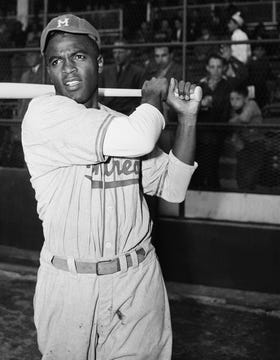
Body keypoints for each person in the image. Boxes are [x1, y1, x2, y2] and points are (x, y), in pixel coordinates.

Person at [21, 14, 202, 359]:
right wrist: (152, 98)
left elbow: (173, 188)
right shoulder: (44, 116)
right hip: (69, 284)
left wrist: (188, 118)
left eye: (78, 56)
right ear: (48, 71)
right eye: (56, 61)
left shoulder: (121, 125)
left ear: (99, 62)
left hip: (136, 282)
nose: (68, 69)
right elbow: (139, 134)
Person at [193, 53, 232, 189]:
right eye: (212, 66)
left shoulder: (228, 86)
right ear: (207, 68)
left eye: (219, 67)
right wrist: (201, 104)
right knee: (197, 169)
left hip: (216, 134)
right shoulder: (200, 85)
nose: (216, 70)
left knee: (211, 169)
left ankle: (212, 191)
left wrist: (212, 102)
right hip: (199, 134)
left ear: (224, 68)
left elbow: (226, 110)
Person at [229, 86, 264, 190]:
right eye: (231, 99)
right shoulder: (235, 110)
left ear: (245, 98)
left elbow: (244, 118)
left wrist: (234, 120)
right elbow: (231, 125)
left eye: (237, 99)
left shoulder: (252, 104)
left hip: (255, 144)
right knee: (241, 173)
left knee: (251, 174)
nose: (234, 102)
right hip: (242, 144)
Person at [99, 39, 146, 115]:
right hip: (107, 111)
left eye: (120, 52)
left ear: (128, 52)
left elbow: (140, 98)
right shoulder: (105, 71)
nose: (117, 56)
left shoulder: (138, 72)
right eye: (115, 52)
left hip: (129, 112)